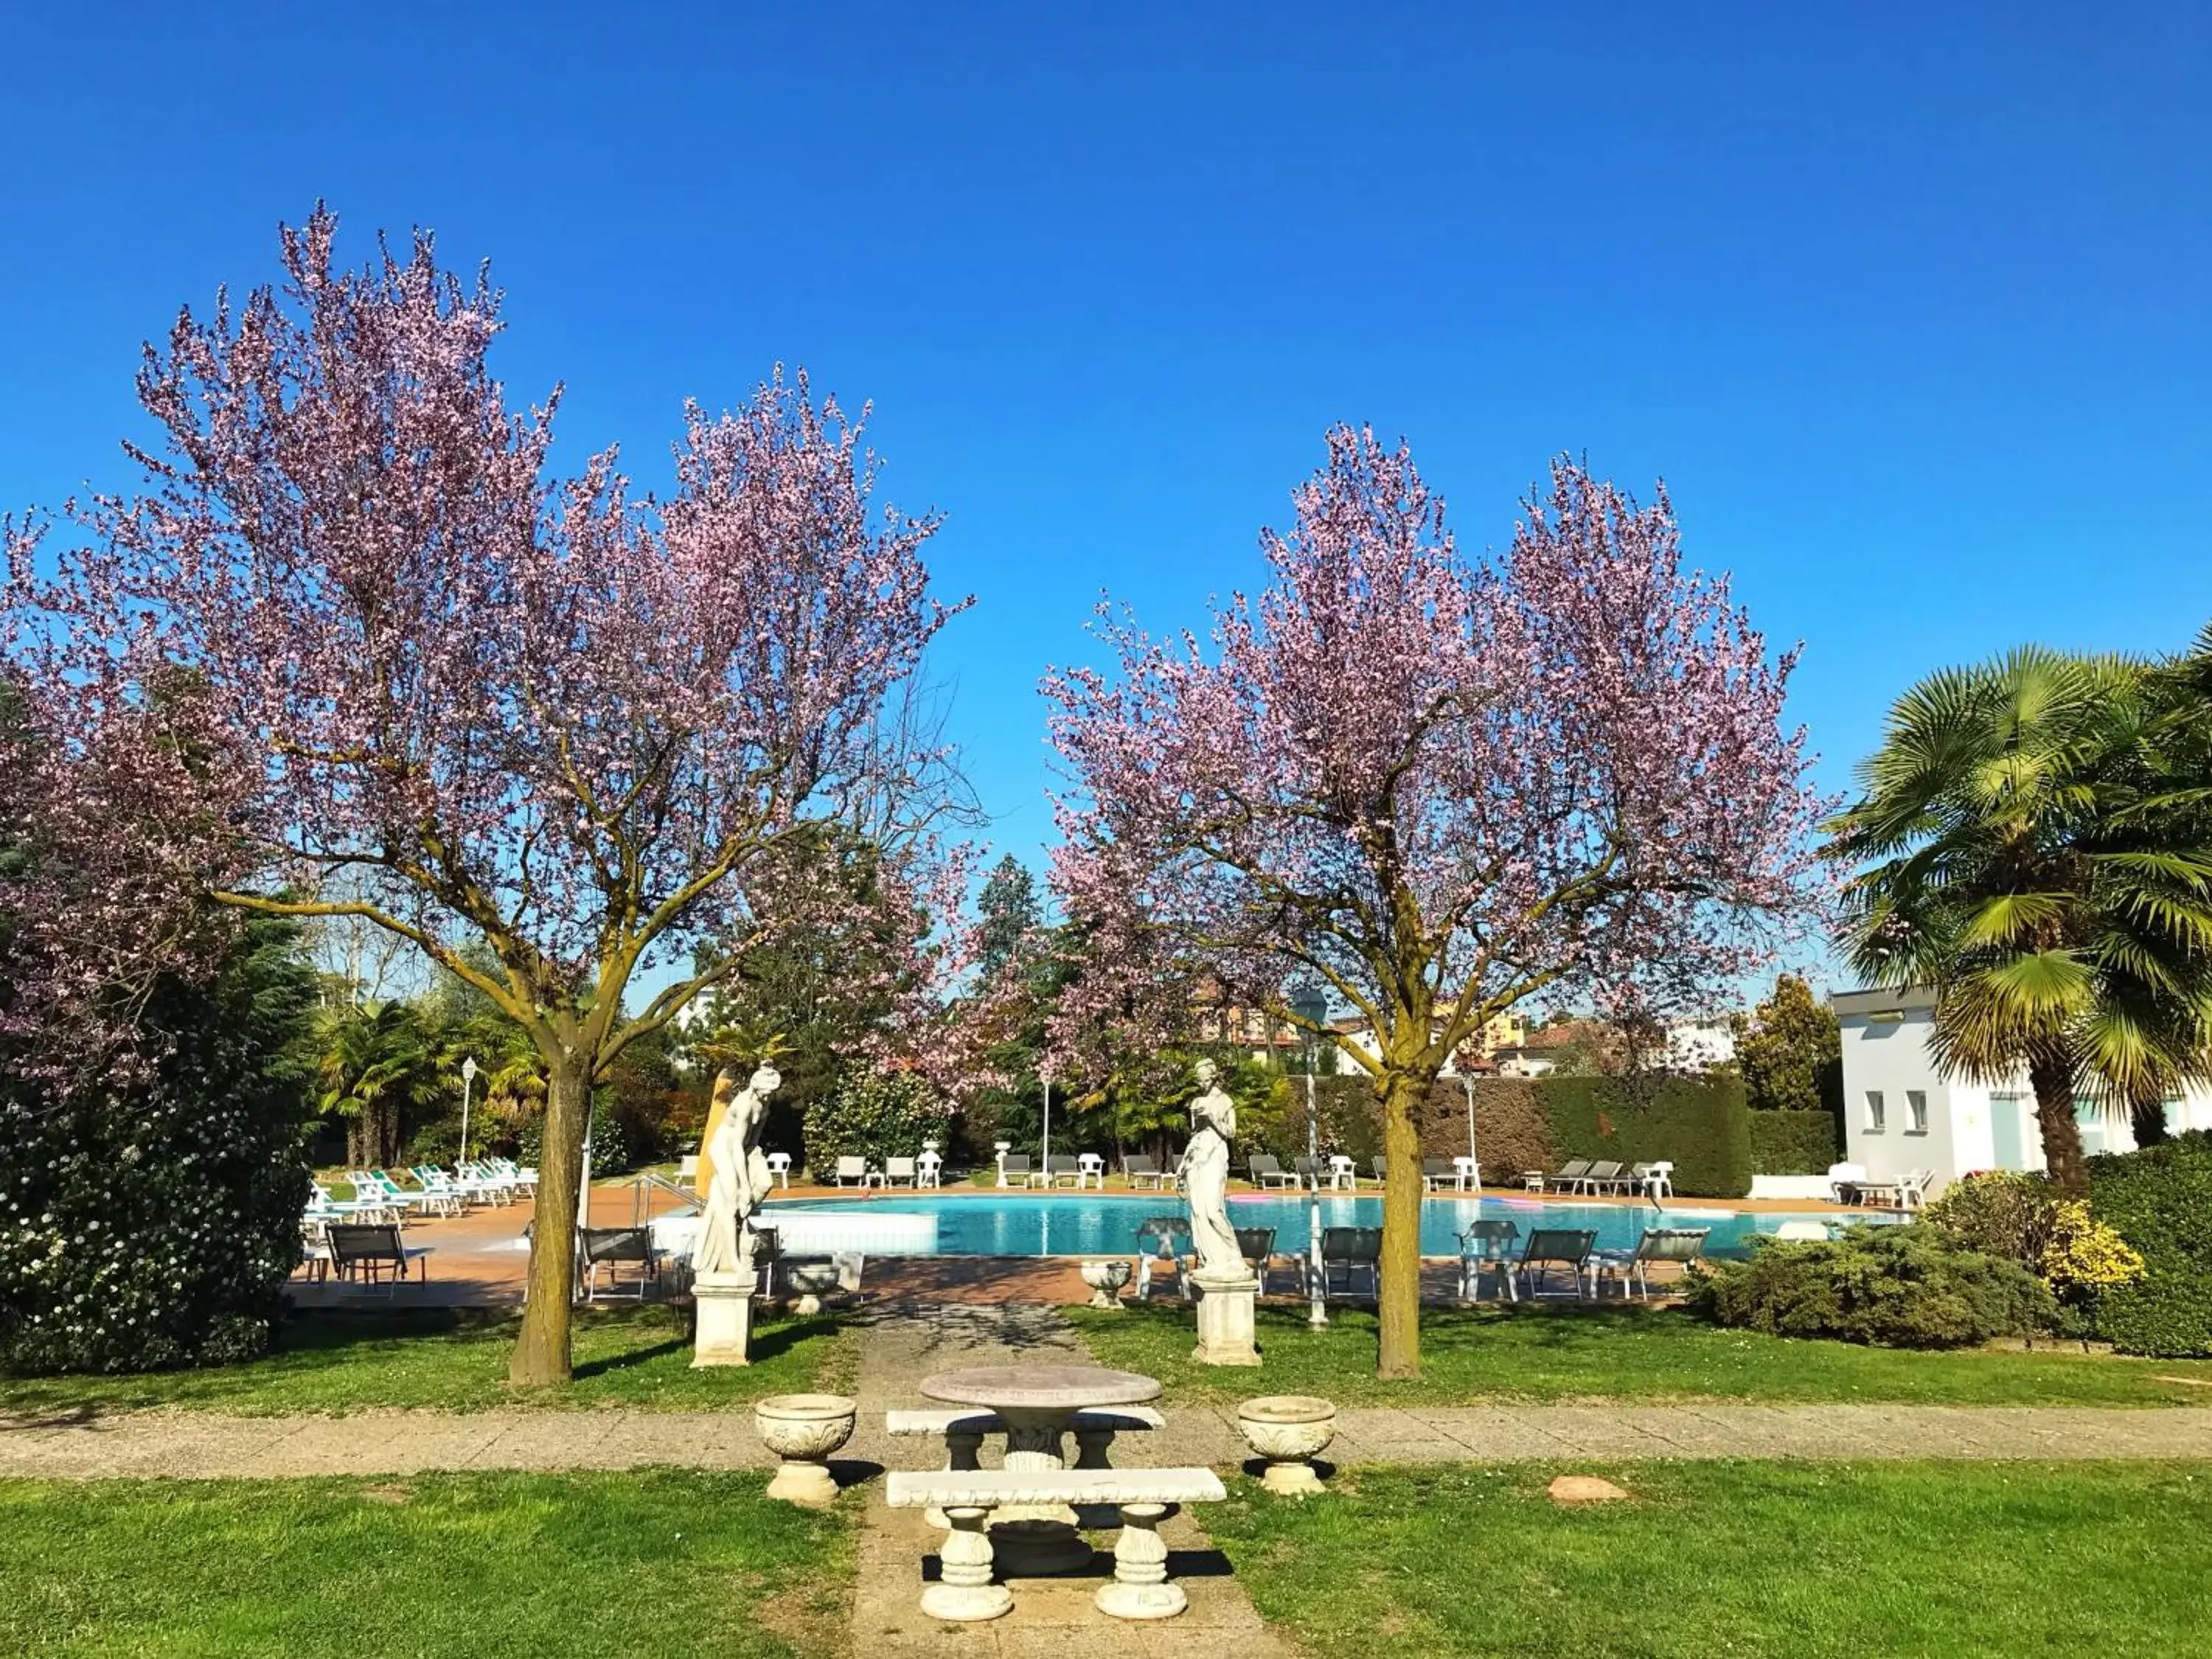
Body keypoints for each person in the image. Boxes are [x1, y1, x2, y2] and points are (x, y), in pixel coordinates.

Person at [694, 1064, 780, 1278]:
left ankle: (743, 1214)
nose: (769, 1097)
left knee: (766, 1183)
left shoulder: (765, 1105)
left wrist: (754, 1177)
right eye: (766, 1093)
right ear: (755, 1087)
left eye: (772, 1094)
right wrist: (743, 1187)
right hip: (725, 1149)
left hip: (746, 1148)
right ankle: (733, 1257)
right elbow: (735, 1149)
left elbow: (753, 1141)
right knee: (732, 1202)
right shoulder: (744, 1105)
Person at [1177, 1058, 1245, 1281]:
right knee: (1198, 1212)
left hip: (1216, 1154)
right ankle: (1211, 1259)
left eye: (1203, 1078)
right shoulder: (1196, 1102)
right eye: (1198, 1079)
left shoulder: (1225, 1100)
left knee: (1214, 1211)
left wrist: (1213, 1118)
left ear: (1213, 1076)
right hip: (1197, 1156)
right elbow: (1194, 1135)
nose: (1200, 1083)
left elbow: (1231, 1132)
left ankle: (1235, 1257)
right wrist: (1183, 1165)